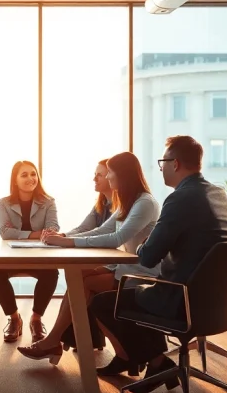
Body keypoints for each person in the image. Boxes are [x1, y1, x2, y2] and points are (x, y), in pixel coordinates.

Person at [90, 136, 227, 393]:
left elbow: (147, 257)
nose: (161, 168)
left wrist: (143, 245)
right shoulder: (219, 195)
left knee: (103, 302)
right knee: (136, 292)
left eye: (163, 162)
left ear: (175, 163)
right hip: (224, 302)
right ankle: (158, 365)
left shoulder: (180, 199)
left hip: (183, 298)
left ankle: (158, 363)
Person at [18, 152, 160, 364]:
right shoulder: (127, 202)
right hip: (124, 268)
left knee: (82, 284)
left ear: (122, 175)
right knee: (79, 276)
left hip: (141, 271)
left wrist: (68, 242)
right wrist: (63, 238)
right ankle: (57, 341)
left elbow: (117, 238)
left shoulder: (145, 203)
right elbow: (99, 230)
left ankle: (55, 341)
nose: (108, 178)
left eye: (109, 173)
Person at [0, 161, 59, 343]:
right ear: (15, 180)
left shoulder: (48, 202)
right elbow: (5, 233)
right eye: (24, 175)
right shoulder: (4, 203)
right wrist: (36, 234)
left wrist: (26, 235)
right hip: (11, 257)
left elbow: (52, 229)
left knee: (52, 273)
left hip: (39, 257)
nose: (30, 178)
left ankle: (36, 319)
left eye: (33, 174)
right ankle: (15, 319)